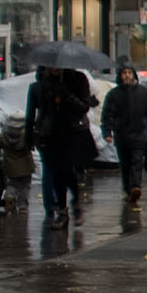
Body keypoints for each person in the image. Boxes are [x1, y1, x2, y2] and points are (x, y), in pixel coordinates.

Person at [25, 66, 99, 228]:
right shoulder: (41, 85)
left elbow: (84, 107)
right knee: (57, 173)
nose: (54, 69)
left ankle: (75, 200)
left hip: (73, 132)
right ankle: (62, 211)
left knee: (67, 170)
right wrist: (29, 137)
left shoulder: (78, 79)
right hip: (50, 134)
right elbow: (33, 113)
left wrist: (67, 95)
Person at [101, 63, 147, 212]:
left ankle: (135, 186)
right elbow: (107, 115)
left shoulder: (143, 93)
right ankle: (129, 189)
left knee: (136, 162)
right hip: (122, 135)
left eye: (129, 73)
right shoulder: (113, 95)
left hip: (140, 135)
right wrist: (107, 132)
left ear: (133, 75)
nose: (127, 75)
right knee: (125, 163)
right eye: (124, 73)